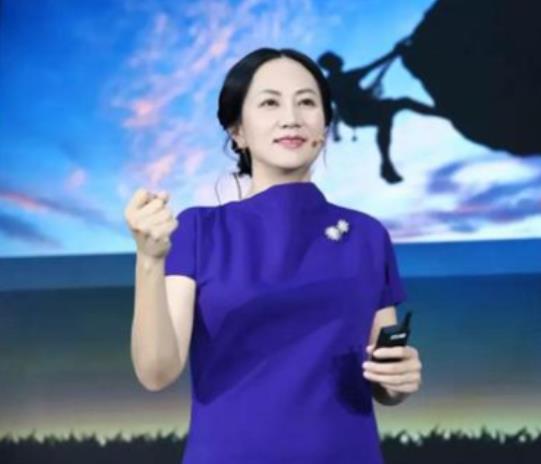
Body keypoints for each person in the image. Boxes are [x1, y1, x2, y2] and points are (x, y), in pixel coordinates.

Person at [123, 47, 423, 463]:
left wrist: (398, 378)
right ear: (237, 131)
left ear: (324, 125)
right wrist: (149, 260)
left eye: (307, 102)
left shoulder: (367, 235)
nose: (291, 118)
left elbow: (383, 378)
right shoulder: (198, 230)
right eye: (269, 103)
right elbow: (156, 372)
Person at [318, 38, 441, 184]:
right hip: (358, 113)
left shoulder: (330, 84)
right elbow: (375, 64)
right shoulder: (346, 77)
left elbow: (335, 107)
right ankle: (441, 113)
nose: (339, 58)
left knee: (390, 116)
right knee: (400, 105)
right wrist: (394, 52)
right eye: (335, 58)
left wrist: (336, 130)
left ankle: (386, 164)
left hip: (353, 116)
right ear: (333, 63)